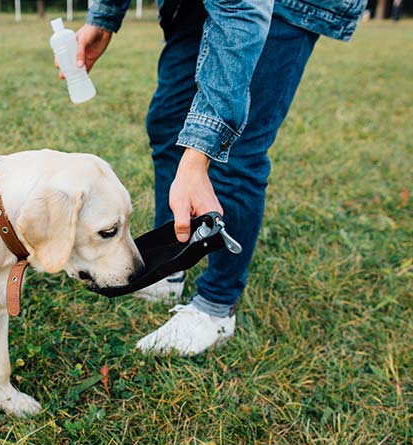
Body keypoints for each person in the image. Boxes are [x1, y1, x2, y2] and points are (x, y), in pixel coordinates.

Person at [64, 0, 366, 355]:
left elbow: (242, 13)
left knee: (235, 148)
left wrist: (197, 158)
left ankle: (215, 308)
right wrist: (103, 20)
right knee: (168, 124)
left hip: (279, 6)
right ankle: (169, 268)